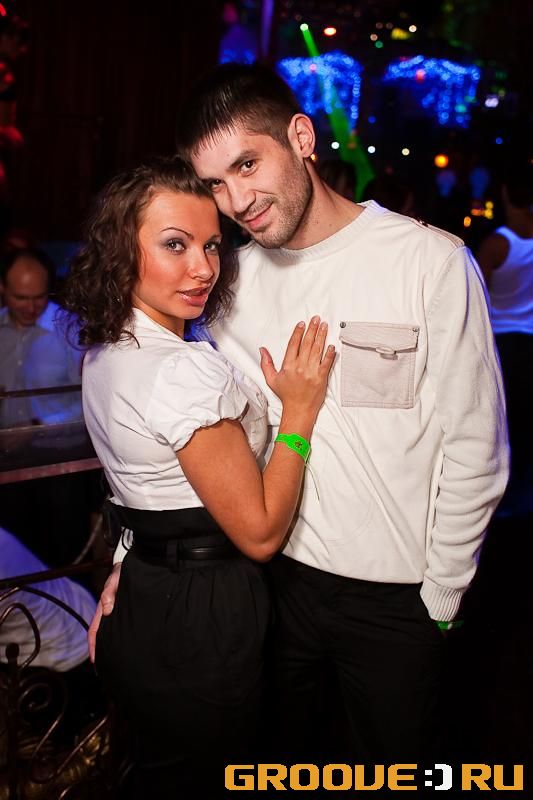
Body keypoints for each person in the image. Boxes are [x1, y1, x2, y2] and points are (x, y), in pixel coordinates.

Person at [97, 63, 509, 771]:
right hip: (272, 588)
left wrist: (440, 597)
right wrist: (127, 558)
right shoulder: (225, 282)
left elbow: (477, 446)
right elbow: (176, 445)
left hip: (395, 599)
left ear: (301, 137)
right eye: (215, 184)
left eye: (247, 165)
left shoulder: (430, 261)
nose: (237, 201)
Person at [62, 155, 334, 797]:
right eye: (175, 245)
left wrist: (125, 565)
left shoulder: (107, 351)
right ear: (122, 251)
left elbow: (141, 488)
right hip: (202, 612)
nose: (204, 268)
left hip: (147, 595)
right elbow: (260, 533)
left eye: (212, 245)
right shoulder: (179, 371)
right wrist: (299, 412)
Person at [477, 161, 533, 515]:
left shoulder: (498, 243)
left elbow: (477, 293)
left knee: (503, 419)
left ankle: (505, 495)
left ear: (505, 195)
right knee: (526, 417)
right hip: (529, 338)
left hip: (503, 341)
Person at [0, 246, 82, 428]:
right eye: (21, 298)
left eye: (39, 297)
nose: (31, 308)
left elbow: (91, 401)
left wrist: (39, 425)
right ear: (2, 288)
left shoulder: (72, 330)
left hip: (59, 444)